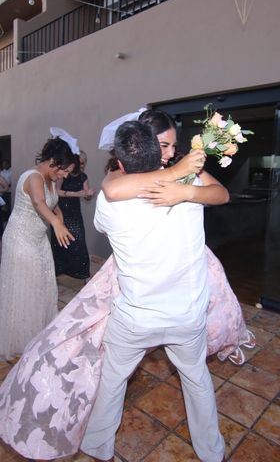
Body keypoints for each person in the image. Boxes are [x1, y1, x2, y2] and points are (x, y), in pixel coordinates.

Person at [80, 121, 225, 462]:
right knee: (197, 380)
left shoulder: (109, 203)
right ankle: (212, 451)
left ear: (119, 163)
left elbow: (113, 188)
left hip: (136, 318)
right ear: (158, 154)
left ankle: (98, 446)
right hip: (186, 316)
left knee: (113, 380)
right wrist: (184, 184)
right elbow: (221, 193)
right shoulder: (188, 186)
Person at [0, 137, 76, 361]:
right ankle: (20, 341)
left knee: (42, 286)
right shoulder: (33, 176)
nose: (64, 176)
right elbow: (38, 202)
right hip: (20, 239)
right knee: (24, 288)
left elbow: (53, 204)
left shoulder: (52, 179)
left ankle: (38, 334)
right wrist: (55, 224)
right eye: (63, 171)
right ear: (53, 161)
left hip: (39, 239)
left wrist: (60, 221)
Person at [52, 150, 94, 280]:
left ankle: (81, 272)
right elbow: (56, 191)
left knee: (78, 241)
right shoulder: (64, 174)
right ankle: (59, 271)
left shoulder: (83, 176)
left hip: (75, 213)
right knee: (60, 242)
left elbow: (85, 193)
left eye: (84, 163)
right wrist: (76, 194)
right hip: (60, 212)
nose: (82, 165)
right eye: (80, 163)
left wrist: (88, 195)